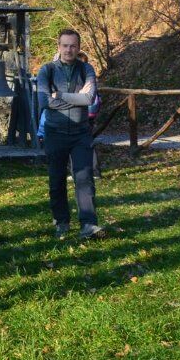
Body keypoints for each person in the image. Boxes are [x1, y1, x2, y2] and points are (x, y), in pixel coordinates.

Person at [37, 29, 103, 240]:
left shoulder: (86, 69)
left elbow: (90, 98)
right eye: (65, 45)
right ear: (58, 46)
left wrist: (61, 96)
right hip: (54, 133)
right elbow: (44, 101)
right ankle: (61, 222)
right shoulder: (46, 70)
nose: (69, 50)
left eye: (73, 45)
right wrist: (76, 98)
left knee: (84, 179)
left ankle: (89, 224)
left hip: (80, 133)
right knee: (56, 180)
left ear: (78, 47)